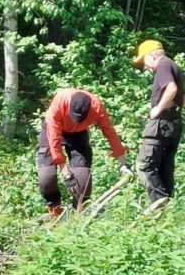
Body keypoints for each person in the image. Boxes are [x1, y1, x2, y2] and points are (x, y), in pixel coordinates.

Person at [37, 89, 131, 218]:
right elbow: (54, 142)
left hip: (78, 134)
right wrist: (66, 174)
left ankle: (79, 213)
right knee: (46, 176)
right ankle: (55, 212)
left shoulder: (96, 106)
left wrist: (123, 163)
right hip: (52, 129)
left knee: (83, 178)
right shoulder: (59, 104)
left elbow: (110, 133)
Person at [133, 39, 185, 211]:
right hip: (174, 124)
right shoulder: (174, 66)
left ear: (152, 56)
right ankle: (167, 208)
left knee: (144, 165)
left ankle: (159, 205)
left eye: (145, 62)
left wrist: (158, 109)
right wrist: (173, 111)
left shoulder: (163, 65)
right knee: (165, 166)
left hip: (161, 125)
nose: (147, 67)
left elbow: (171, 89)